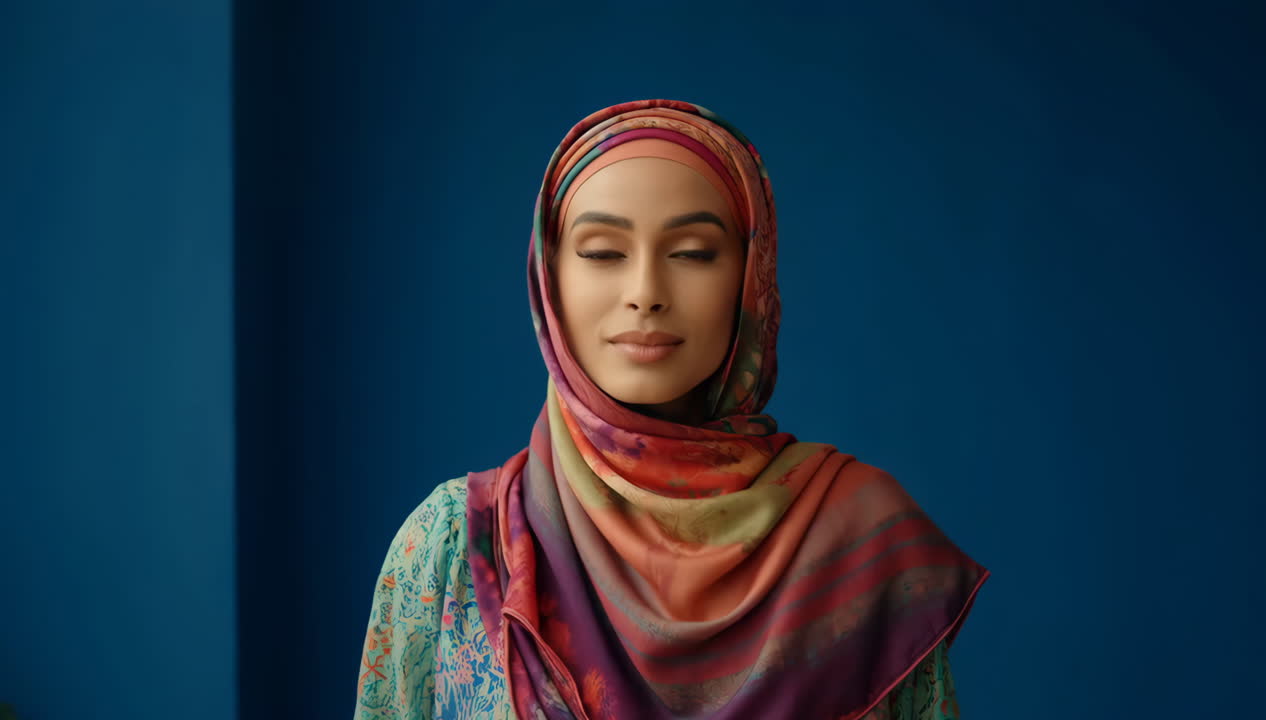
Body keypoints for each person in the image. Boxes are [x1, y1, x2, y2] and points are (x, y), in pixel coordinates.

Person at [354, 99, 989, 720]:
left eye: (691, 253)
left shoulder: (861, 545)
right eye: (602, 252)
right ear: (549, 278)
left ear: (751, 276)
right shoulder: (455, 550)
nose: (646, 294)